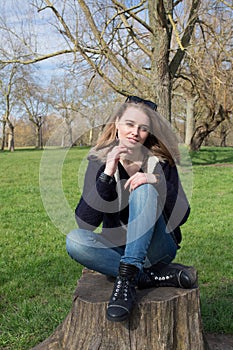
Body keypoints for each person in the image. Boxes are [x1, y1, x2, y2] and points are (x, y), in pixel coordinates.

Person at [66, 96, 196, 323]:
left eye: (143, 128)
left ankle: (126, 279)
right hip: (115, 249)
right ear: (117, 124)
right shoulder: (98, 161)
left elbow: (182, 215)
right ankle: (145, 277)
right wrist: (107, 173)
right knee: (75, 241)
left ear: (149, 133)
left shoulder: (161, 162)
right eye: (129, 124)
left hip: (158, 248)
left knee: (143, 189)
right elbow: (85, 222)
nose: (135, 132)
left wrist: (156, 181)